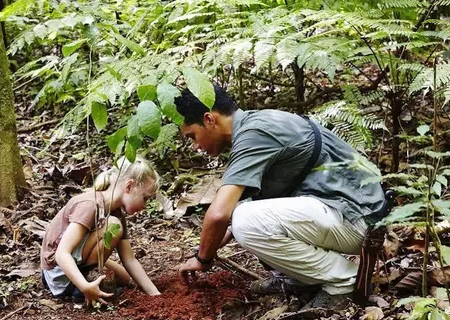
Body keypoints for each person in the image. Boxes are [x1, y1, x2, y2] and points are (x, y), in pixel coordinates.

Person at [176, 84, 386, 309]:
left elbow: (218, 215)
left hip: (361, 221)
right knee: (244, 215)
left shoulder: (254, 134)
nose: (196, 146)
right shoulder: (258, 123)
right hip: (355, 213)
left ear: (209, 119)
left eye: (192, 136)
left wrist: (202, 259)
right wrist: (217, 240)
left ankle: (345, 280)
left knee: (246, 221)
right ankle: (305, 279)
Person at [41, 156, 161, 307]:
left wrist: (156, 295)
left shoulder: (116, 212)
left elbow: (129, 260)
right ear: (129, 186)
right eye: (145, 198)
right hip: (58, 275)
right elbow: (61, 253)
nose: (145, 206)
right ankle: (81, 285)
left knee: (125, 278)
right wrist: (85, 287)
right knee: (113, 226)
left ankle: (88, 276)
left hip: (74, 259)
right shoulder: (90, 204)